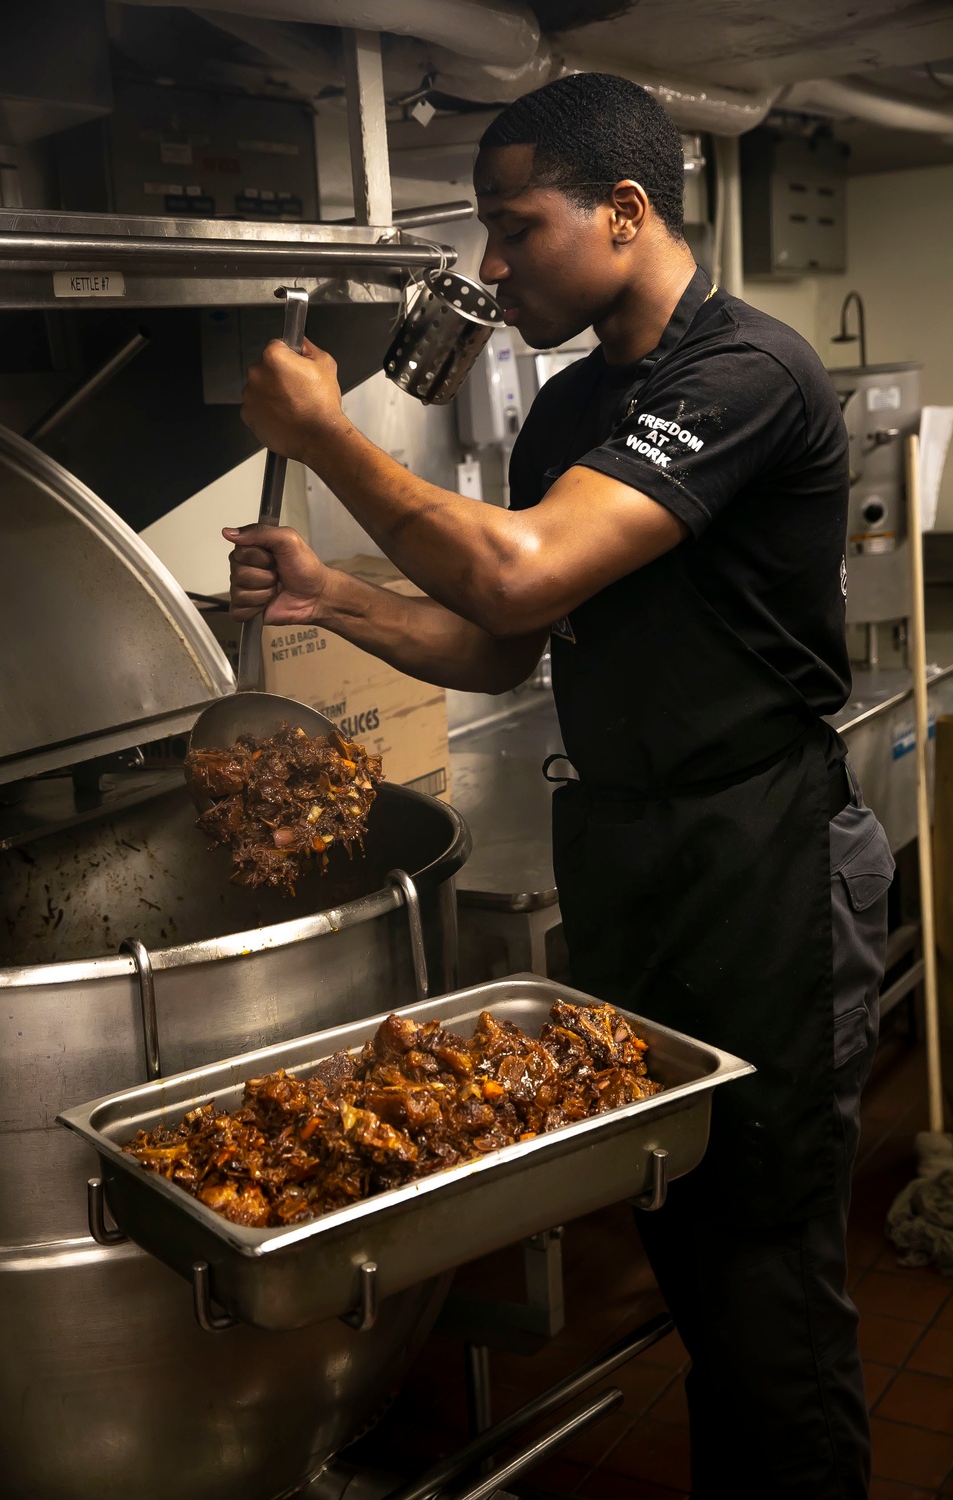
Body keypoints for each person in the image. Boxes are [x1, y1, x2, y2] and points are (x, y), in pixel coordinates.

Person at [225, 73, 894, 1499]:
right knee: (695, 1248)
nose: (493, 264)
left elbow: (520, 564)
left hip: (758, 851)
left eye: (515, 227)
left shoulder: (746, 373)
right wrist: (332, 596)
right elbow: (500, 637)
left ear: (625, 210)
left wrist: (324, 437)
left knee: (769, 1275)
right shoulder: (575, 409)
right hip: (633, 854)